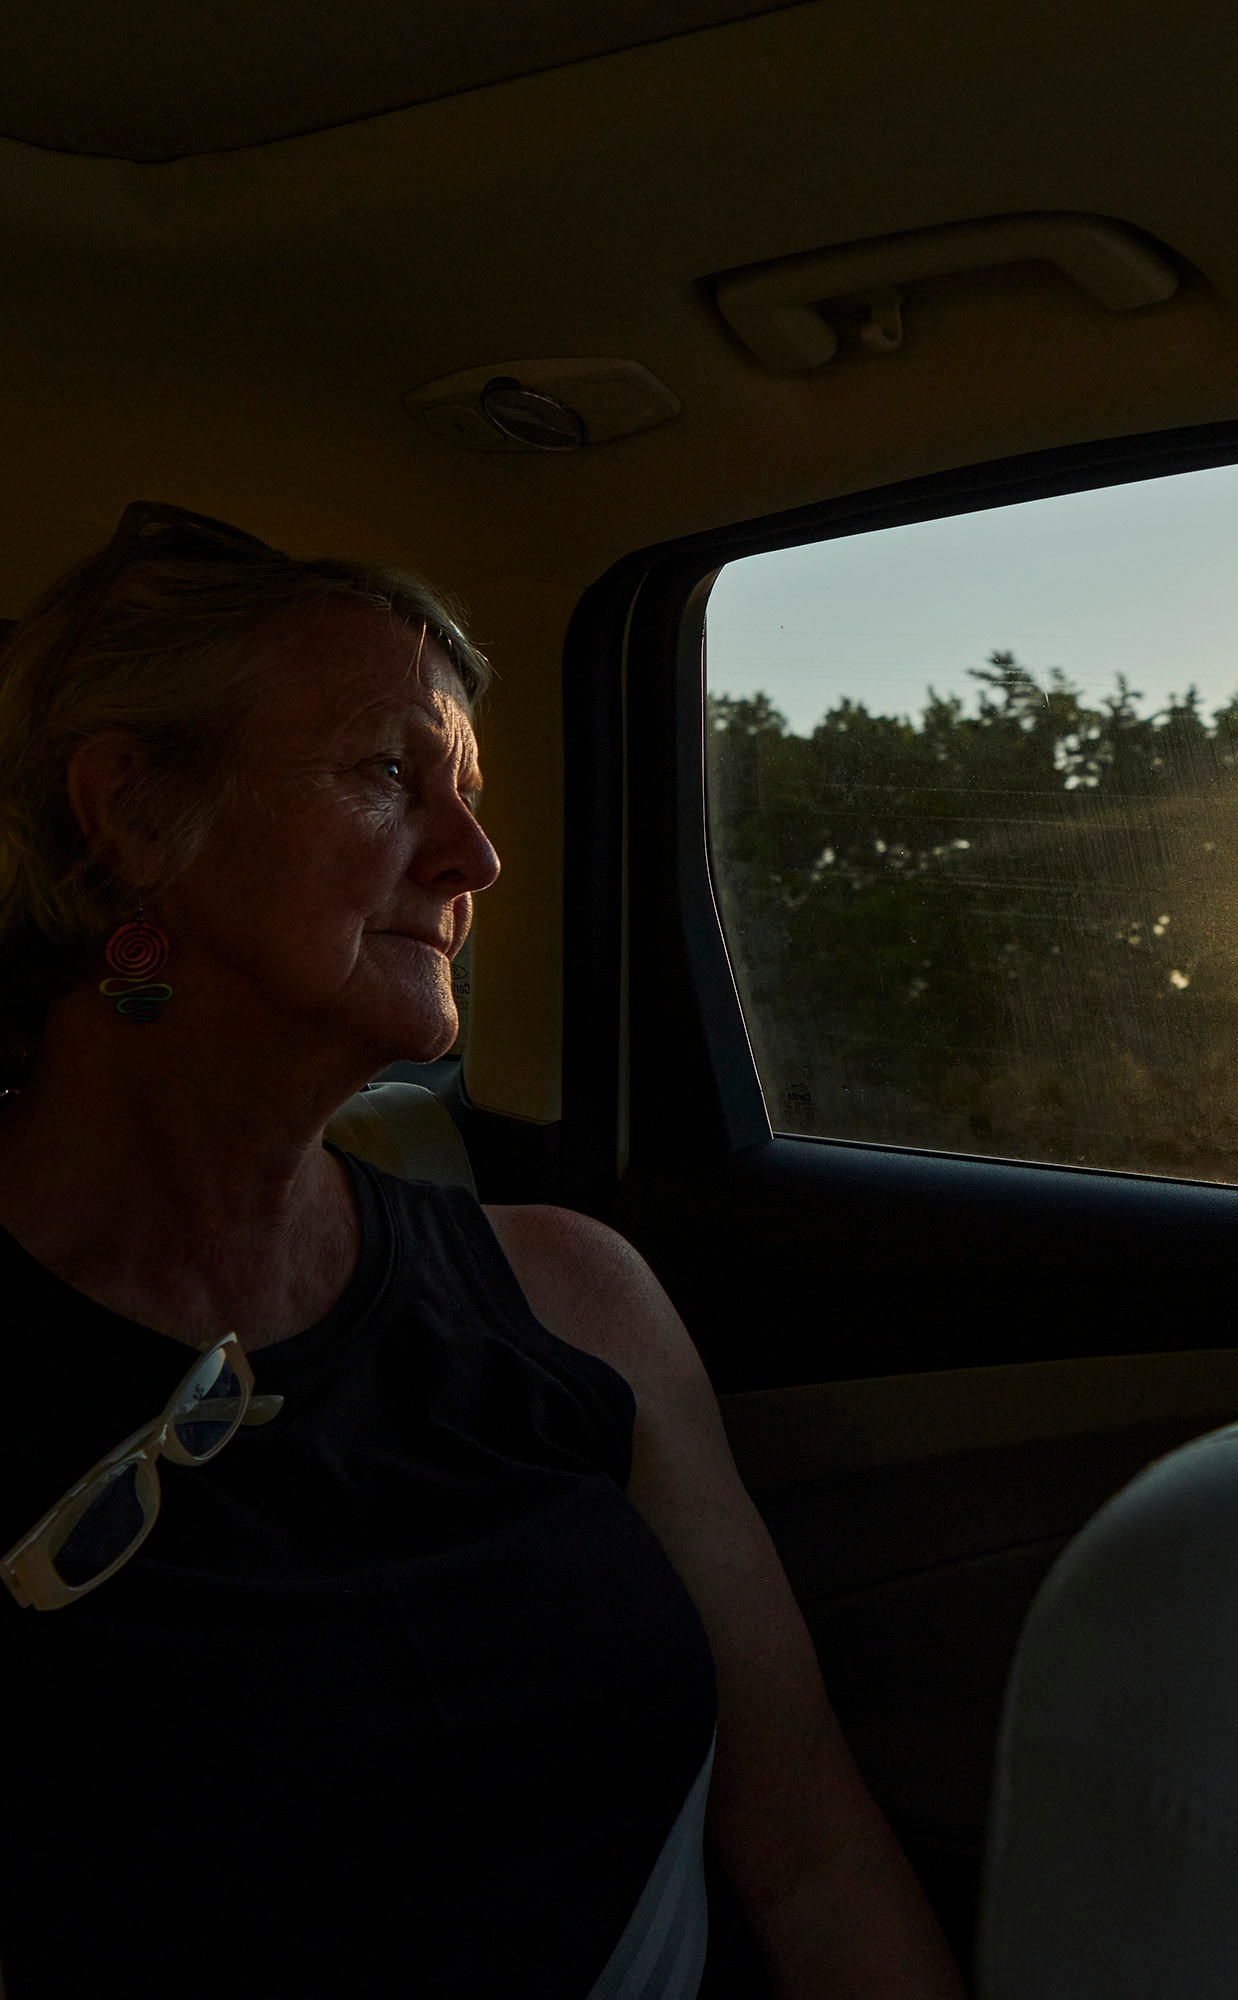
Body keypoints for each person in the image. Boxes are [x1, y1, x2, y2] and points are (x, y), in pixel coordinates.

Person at [0, 506, 965, 1998]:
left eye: (469, 790)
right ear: (130, 812)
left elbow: (817, 1862)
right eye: (387, 772)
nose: (478, 858)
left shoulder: (570, 1294)